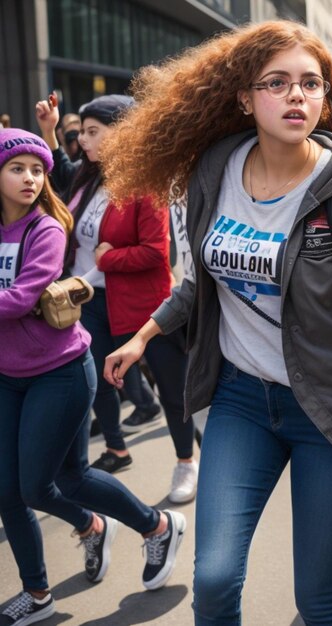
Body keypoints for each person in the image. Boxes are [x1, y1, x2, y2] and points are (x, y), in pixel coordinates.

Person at [101, 21, 332, 625]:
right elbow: (206, 278)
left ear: (326, 97)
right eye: (278, 83)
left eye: (310, 84)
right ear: (245, 97)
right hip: (242, 402)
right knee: (213, 583)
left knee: (318, 597)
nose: (296, 96)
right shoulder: (215, 168)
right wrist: (145, 334)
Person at [0, 128, 186, 626]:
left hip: (57, 372)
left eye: (38, 169)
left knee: (52, 482)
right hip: (7, 375)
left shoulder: (45, 230)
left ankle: (157, 525)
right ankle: (39, 595)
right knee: (9, 492)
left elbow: (19, 299)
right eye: (18, 168)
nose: (31, 178)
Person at [35, 95, 198, 502]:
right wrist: (49, 131)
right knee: (98, 382)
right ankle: (115, 447)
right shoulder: (88, 179)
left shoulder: (146, 182)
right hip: (88, 302)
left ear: (122, 132)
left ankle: (186, 461)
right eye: (82, 133)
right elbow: (58, 176)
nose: (83, 140)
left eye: (93, 132)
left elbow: (156, 252)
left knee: (169, 387)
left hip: (144, 305)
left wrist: (110, 258)